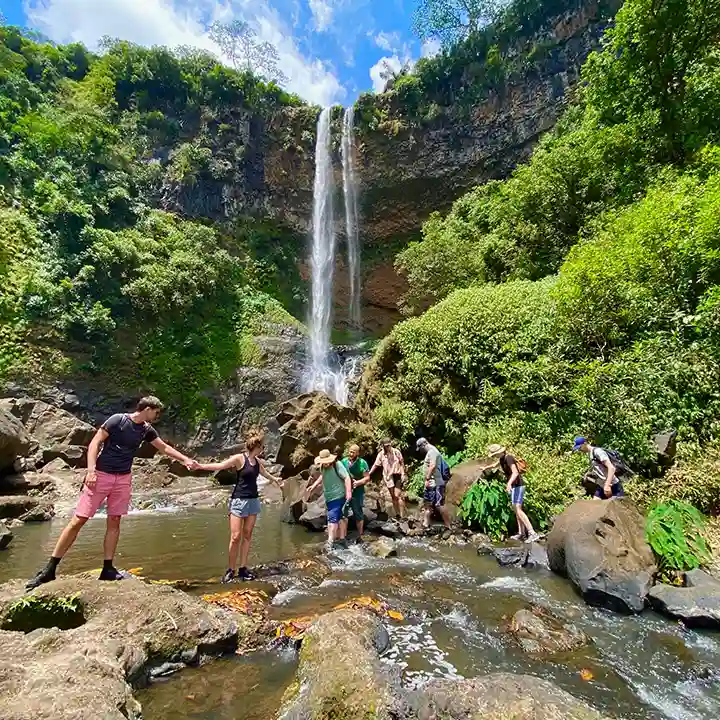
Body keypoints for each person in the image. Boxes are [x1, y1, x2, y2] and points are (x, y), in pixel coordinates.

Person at [26, 396, 194, 589]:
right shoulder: (117, 420)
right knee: (78, 519)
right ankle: (49, 569)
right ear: (147, 408)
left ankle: (108, 569)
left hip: (123, 479)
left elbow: (163, 447)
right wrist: (90, 471)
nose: (157, 416)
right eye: (156, 413)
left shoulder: (146, 430)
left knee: (114, 521)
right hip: (101, 475)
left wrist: (185, 459)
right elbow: (95, 443)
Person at [191, 434, 282, 582]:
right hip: (239, 500)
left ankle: (243, 569)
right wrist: (200, 466)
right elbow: (220, 466)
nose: (262, 450)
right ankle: (230, 569)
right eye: (262, 447)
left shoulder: (258, 462)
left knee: (247, 535)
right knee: (235, 537)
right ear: (256, 447)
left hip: (253, 501)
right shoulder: (239, 459)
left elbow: (266, 474)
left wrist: (276, 480)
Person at [488, 444, 540, 543]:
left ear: (499, 452)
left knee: (518, 509)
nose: (494, 456)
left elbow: (515, 472)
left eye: (494, 454)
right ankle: (521, 533)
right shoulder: (502, 459)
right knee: (516, 509)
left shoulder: (509, 458)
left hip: (518, 486)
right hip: (514, 487)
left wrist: (509, 484)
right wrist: (485, 467)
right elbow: (495, 465)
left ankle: (532, 533)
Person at [304, 449, 353, 548]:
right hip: (329, 497)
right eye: (323, 462)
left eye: (326, 462)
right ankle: (342, 539)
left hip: (339, 495)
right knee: (340, 517)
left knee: (332, 519)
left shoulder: (337, 465)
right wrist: (313, 486)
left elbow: (346, 477)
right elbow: (322, 476)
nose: (325, 464)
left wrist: (348, 491)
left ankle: (331, 541)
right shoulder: (322, 467)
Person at [416, 437, 452, 530]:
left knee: (439, 505)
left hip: (436, 483)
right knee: (428, 504)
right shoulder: (433, 451)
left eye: (420, 448)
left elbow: (432, 465)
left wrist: (427, 478)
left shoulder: (432, 452)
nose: (421, 451)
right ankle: (425, 524)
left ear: (424, 445)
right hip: (432, 483)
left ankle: (448, 526)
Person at [370, 438, 407, 520]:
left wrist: (403, 473)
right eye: (386, 446)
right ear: (383, 446)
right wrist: (369, 474)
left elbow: (401, 462)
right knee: (393, 496)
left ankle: (403, 516)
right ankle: (397, 515)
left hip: (397, 474)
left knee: (398, 495)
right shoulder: (381, 454)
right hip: (388, 476)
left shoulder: (396, 452)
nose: (388, 447)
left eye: (389, 445)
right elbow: (376, 465)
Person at [342, 444, 370, 539]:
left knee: (358, 513)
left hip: (357, 491)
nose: (350, 454)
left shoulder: (363, 463)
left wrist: (358, 482)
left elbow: (367, 478)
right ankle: (343, 535)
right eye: (350, 451)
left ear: (358, 453)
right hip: (345, 491)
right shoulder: (344, 462)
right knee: (344, 513)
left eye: (353, 452)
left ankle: (360, 535)